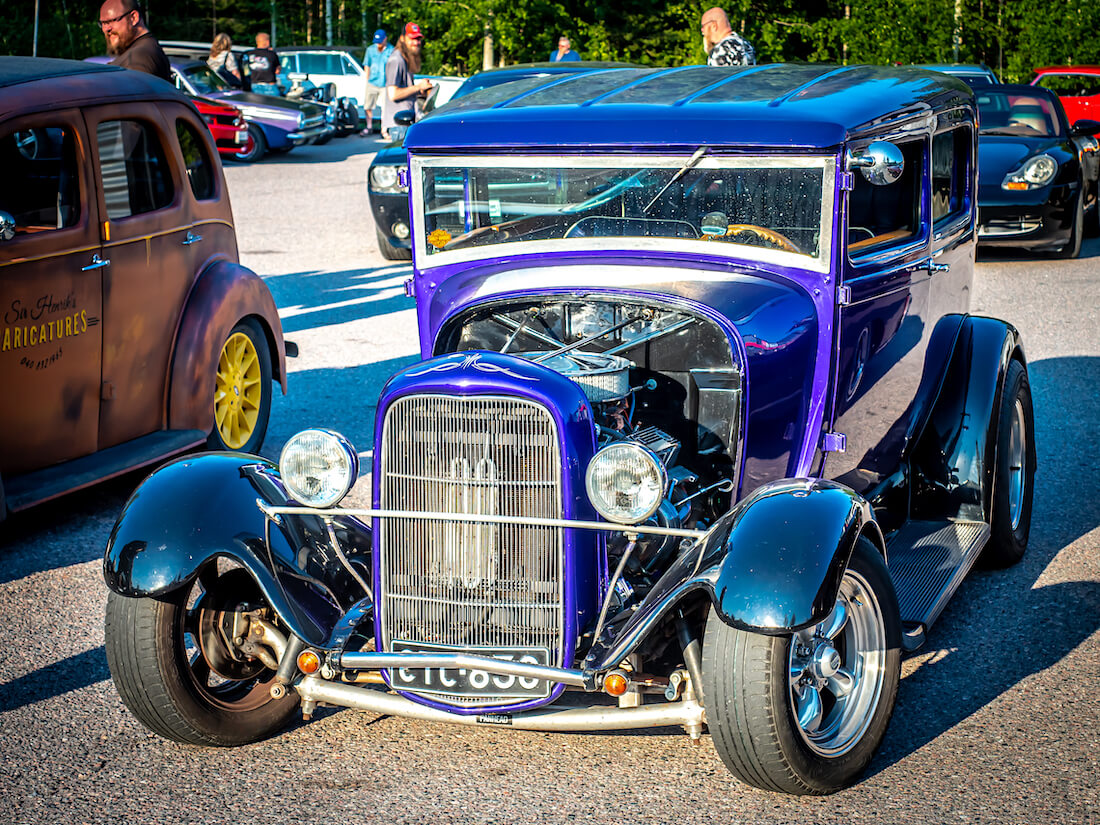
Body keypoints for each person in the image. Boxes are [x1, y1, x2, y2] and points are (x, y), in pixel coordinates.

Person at [98, 0, 170, 81]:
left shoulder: (141, 55)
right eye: (103, 23)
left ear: (134, 18)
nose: (106, 29)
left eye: (111, 21)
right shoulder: (143, 49)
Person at [383, 23, 433, 139]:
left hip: (406, 122)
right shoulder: (396, 60)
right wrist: (418, 87)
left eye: (418, 39)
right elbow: (393, 94)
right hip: (399, 124)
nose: (416, 42)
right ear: (402, 39)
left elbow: (404, 89)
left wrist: (421, 91)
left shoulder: (405, 58)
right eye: (412, 39)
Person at [361, 29, 394, 136]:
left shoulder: (391, 50)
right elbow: (367, 64)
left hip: (385, 83)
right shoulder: (370, 50)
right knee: (368, 106)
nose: (378, 44)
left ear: (385, 39)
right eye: (377, 42)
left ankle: (383, 130)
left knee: (385, 108)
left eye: (380, 41)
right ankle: (369, 127)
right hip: (372, 82)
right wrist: (367, 77)